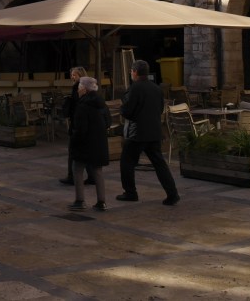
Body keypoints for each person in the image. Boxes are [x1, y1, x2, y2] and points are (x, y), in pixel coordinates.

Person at [116, 59, 180, 206]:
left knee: (127, 162)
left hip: (137, 133)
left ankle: (130, 192)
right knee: (159, 163)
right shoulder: (156, 88)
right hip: (154, 131)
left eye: (132, 71)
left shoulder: (135, 88)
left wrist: (123, 109)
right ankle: (173, 193)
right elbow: (160, 109)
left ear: (135, 72)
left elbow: (128, 111)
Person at [68, 76, 110, 211]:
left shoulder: (83, 106)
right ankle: (101, 202)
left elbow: (80, 129)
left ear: (85, 89)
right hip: (99, 143)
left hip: (84, 144)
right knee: (97, 171)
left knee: (77, 169)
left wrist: (74, 142)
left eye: (80, 87)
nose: (78, 89)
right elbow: (108, 122)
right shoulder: (101, 103)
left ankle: (80, 200)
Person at [59, 66, 92, 186]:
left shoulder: (77, 88)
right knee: (86, 150)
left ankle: (71, 176)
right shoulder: (89, 88)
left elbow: (77, 108)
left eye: (75, 75)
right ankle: (92, 176)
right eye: (72, 75)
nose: (72, 77)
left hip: (77, 124)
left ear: (81, 76)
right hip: (84, 124)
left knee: (73, 151)